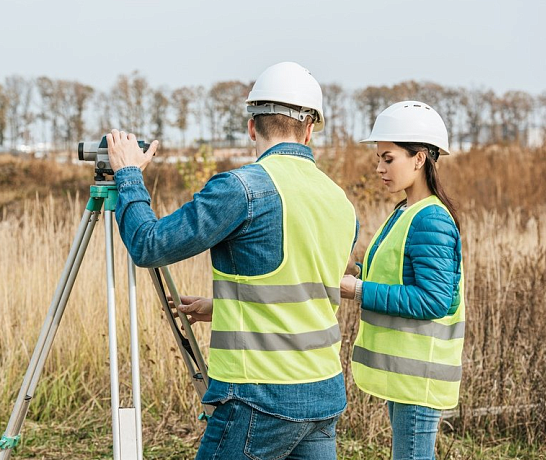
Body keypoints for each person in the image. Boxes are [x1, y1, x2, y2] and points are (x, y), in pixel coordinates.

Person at [106, 62, 357, 459]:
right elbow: (305, 289)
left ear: (252, 126)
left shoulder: (242, 189)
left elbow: (149, 245)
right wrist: (224, 307)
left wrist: (129, 177)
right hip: (323, 393)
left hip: (259, 396)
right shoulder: (340, 202)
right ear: (310, 129)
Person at [340, 101, 465, 460]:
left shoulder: (431, 220)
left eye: (388, 158)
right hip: (405, 375)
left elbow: (433, 300)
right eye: (378, 158)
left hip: (418, 377)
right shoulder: (404, 211)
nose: (379, 168)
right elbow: (395, 273)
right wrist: (356, 271)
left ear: (420, 158)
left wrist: (357, 290)